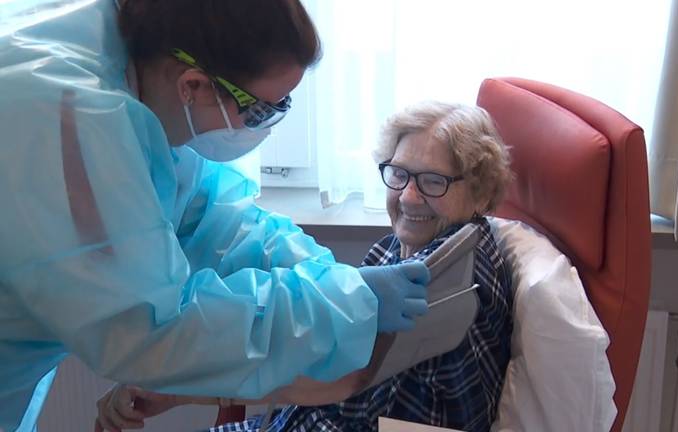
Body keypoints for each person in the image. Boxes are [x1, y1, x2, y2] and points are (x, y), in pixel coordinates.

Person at [0, 1, 431, 431]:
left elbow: (208, 216)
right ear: (195, 84)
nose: (264, 126)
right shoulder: (68, 117)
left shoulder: (143, 73)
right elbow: (153, 332)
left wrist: (327, 276)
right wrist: (340, 304)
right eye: (263, 110)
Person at [98, 101, 515, 432]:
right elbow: (328, 348)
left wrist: (178, 388)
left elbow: (344, 379)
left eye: (432, 181)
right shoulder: (399, 250)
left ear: (479, 192)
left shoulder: (455, 280)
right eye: (399, 174)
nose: (407, 197)